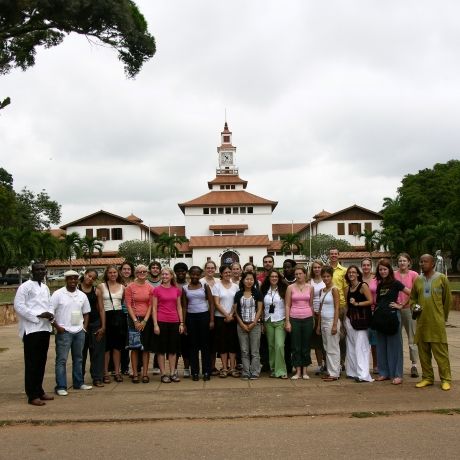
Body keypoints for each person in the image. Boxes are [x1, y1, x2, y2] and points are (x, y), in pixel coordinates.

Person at [14, 262, 55, 406]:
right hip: (31, 328)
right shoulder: (24, 287)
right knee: (32, 363)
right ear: (32, 271)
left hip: (44, 328)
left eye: (43, 269)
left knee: (41, 361)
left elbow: (50, 304)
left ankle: (39, 390)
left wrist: (50, 315)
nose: (41, 271)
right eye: (37, 269)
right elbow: (19, 306)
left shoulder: (45, 287)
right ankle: (32, 395)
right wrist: (37, 315)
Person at [411, 254, 453, 391]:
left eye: (425, 261)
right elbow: (413, 299)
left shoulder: (442, 278)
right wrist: (414, 307)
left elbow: (447, 301)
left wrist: (443, 318)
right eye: (421, 261)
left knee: (441, 353)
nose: (422, 264)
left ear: (433, 263)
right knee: (423, 352)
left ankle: (446, 379)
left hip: (437, 323)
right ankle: (427, 378)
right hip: (422, 322)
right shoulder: (418, 280)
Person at [51, 270, 92, 395]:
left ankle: (78, 383)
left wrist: (84, 327)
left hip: (79, 331)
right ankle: (61, 386)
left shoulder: (82, 295)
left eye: (75, 279)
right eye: (70, 279)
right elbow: (50, 312)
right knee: (62, 360)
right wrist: (57, 327)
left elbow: (86, 312)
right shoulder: (58, 294)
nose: (73, 281)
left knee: (78, 358)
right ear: (66, 280)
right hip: (64, 331)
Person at [374, 259, 410, 385]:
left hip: (393, 317)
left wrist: (402, 305)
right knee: (381, 346)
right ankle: (384, 372)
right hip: (381, 318)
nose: (383, 271)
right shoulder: (380, 284)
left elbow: (411, 293)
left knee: (395, 346)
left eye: (385, 269)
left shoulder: (395, 283)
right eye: (380, 269)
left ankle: (397, 374)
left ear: (389, 270)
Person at [152, 268, 184, 383]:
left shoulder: (177, 290)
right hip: (161, 321)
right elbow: (154, 308)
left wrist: (181, 323)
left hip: (174, 322)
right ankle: (163, 374)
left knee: (172, 350)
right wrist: (155, 324)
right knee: (161, 350)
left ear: (171, 276)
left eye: (166, 274)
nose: (164, 276)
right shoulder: (156, 290)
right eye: (163, 274)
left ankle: (172, 373)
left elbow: (179, 307)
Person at [182, 266, 214, 381]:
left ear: (200, 275)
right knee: (193, 346)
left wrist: (211, 320)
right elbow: (184, 306)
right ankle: (194, 372)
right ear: (189, 275)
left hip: (204, 316)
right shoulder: (185, 288)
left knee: (205, 345)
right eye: (193, 274)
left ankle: (206, 371)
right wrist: (184, 323)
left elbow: (211, 303)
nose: (195, 276)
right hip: (191, 318)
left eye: (197, 274)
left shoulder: (205, 286)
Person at [125, 264, 154, 384]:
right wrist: (136, 321)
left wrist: (145, 321)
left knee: (145, 348)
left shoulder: (150, 287)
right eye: (139, 271)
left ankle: (145, 373)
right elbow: (128, 304)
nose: (142, 273)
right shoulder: (130, 287)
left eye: (144, 271)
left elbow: (151, 305)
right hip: (133, 319)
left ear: (147, 273)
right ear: (136, 273)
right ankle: (135, 373)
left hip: (146, 319)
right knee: (135, 347)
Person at [344, 265, 374, 382]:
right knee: (351, 346)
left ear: (357, 274)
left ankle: (363, 374)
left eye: (353, 272)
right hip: (350, 319)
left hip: (362, 320)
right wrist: (344, 319)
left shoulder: (363, 286)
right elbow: (347, 305)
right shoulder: (347, 288)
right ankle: (352, 371)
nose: (351, 274)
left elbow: (370, 301)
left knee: (361, 347)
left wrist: (357, 304)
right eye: (349, 272)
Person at [97, 265, 125, 384]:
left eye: (114, 272)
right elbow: (100, 307)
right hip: (106, 316)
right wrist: (103, 324)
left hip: (118, 317)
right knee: (106, 347)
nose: (113, 274)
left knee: (117, 347)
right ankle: (106, 372)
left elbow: (123, 303)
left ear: (117, 273)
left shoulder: (123, 287)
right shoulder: (101, 286)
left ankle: (117, 372)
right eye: (110, 273)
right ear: (106, 274)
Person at [285, 265, 314, 380]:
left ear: (305, 274)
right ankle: (297, 371)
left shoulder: (310, 287)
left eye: (300, 274)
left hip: (307, 318)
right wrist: (287, 321)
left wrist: (313, 319)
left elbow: (311, 304)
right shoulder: (290, 288)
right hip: (294, 318)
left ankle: (305, 371)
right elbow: (287, 305)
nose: (298, 276)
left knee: (306, 345)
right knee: (296, 345)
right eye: (296, 274)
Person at [234, 271, 264, 380]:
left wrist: (254, 322)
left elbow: (260, 309)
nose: (249, 281)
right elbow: (236, 311)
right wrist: (241, 323)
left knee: (255, 351)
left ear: (254, 280)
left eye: (251, 279)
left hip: (254, 325)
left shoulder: (257, 293)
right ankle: (246, 372)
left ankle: (255, 371)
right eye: (247, 279)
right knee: (244, 350)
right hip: (241, 325)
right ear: (243, 280)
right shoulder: (238, 294)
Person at [394, 253, 419, 378]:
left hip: (409, 309)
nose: (402, 263)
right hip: (395, 309)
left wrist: (403, 303)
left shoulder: (414, 275)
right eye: (400, 261)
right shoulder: (394, 275)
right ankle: (397, 364)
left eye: (404, 261)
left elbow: (415, 292)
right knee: (396, 337)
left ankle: (414, 365)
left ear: (409, 262)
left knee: (412, 338)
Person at [79, 269, 106, 388]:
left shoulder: (97, 291)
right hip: (80, 324)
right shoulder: (77, 289)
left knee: (97, 352)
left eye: (93, 278)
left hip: (95, 323)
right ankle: (79, 378)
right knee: (81, 353)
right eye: (89, 276)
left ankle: (97, 378)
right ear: (84, 275)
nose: (90, 279)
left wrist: (103, 326)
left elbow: (101, 309)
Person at [213, 264, 240, 377]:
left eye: (229, 272)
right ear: (221, 274)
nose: (228, 274)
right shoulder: (217, 286)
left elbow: (237, 303)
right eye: (225, 272)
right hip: (220, 318)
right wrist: (226, 315)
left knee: (233, 343)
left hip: (233, 318)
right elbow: (216, 303)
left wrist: (231, 314)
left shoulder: (235, 286)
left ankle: (233, 368)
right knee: (223, 343)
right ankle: (224, 368)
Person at [260, 269, 288, 378]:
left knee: (279, 345)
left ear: (279, 278)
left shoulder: (284, 289)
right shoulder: (264, 289)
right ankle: (273, 369)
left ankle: (281, 371)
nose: (274, 278)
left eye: (276, 276)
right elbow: (261, 307)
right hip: (268, 320)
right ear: (269, 278)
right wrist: (262, 323)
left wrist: (287, 320)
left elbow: (287, 305)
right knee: (271, 346)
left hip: (281, 319)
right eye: (272, 276)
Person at [315, 266, 341, 381]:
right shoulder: (322, 290)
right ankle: (330, 371)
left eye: (328, 276)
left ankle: (335, 373)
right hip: (324, 321)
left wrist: (335, 324)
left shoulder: (334, 289)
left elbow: (337, 308)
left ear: (331, 276)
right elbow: (320, 309)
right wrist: (318, 325)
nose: (326, 278)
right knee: (326, 347)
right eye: (324, 276)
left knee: (333, 348)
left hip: (331, 321)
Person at [328, 248, 347, 371]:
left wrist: (346, 307)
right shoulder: (326, 269)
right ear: (329, 256)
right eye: (331, 254)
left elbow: (345, 290)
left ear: (339, 255)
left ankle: (342, 361)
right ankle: (330, 362)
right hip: (328, 306)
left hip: (341, 306)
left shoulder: (344, 271)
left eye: (335, 253)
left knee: (342, 335)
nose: (333, 255)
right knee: (330, 335)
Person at [200, 260, 218, 375]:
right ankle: (205, 366)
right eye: (208, 268)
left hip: (217, 314)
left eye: (212, 268)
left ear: (215, 269)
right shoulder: (201, 282)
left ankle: (213, 366)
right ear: (205, 269)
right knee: (204, 342)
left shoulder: (218, 282)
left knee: (214, 343)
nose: (210, 270)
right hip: (203, 314)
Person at [361, 258, 378, 374]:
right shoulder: (358, 279)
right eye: (364, 265)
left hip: (374, 311)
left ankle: (376, 365)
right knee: (363, 340)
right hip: (362, 312)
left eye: (368, 265)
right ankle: (364, 364)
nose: (366, 267)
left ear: (371, 267)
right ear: (361, 266)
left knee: (374, 341)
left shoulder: (376, 279)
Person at [309, 260, 326, 375]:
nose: (317, 269)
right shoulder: (309, 281)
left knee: (326, 341)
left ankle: (328, 364)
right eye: (315, 267)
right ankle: (320, 365)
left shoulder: (326, 280)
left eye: (319, 267)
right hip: (312, 313)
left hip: (324, 313)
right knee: (317, 342)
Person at [119, 262, 134, 375]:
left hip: (132, 314)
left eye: (128, 269)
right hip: (120, 313)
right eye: (124, 269)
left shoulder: (134, 283)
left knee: (130, 341)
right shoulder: (116, 283)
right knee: (121, 341)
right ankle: (119, 368)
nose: (126, 271)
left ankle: (126, 367)